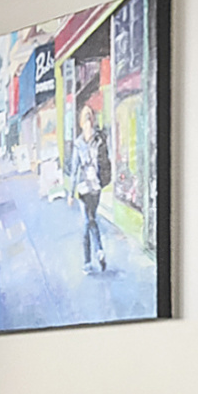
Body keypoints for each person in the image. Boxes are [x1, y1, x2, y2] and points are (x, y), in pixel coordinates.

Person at [75, 110, 115, 274]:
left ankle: (87, 262)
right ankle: (99, 252)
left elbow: (74, 168)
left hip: (84, 189)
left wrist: (71, 193)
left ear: (81, 123)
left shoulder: (78, 143)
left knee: (87, 223)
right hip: (96, 189)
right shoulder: (99, 140)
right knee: (91, 220)